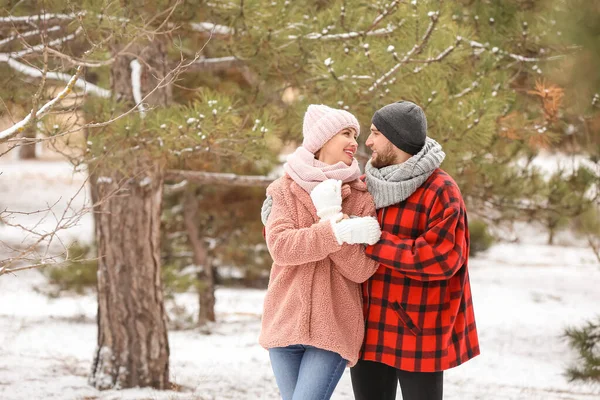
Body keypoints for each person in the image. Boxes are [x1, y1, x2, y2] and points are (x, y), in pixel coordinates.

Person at [350, 101, 480, 400]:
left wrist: (374, 241)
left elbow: (442, 258)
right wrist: (277, 207)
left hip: (417, 328)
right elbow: (322, 216)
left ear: (396, 140)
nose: (367, 142)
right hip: (369, 323)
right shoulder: (366, 183)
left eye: (374, 133)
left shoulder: (441, 190)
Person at [260, 104, 382, 400]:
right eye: (346, 133)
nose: (355, 142)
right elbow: (282, 247)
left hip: (334, 328)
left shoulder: (361, 197)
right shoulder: (285, 189)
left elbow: (362, 269)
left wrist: (330, 218)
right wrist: (335, 231)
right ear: (322, 139)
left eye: (356, 134)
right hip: (284, 321)